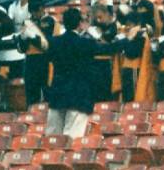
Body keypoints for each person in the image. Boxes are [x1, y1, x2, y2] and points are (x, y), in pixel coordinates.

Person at [45, 8, 116, 137]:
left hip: (57, 94)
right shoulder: (85, 43)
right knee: (72, 139)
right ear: (79, 23)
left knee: (52, 139)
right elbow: (108, 48)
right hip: (78, 95)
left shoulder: (54, 42)